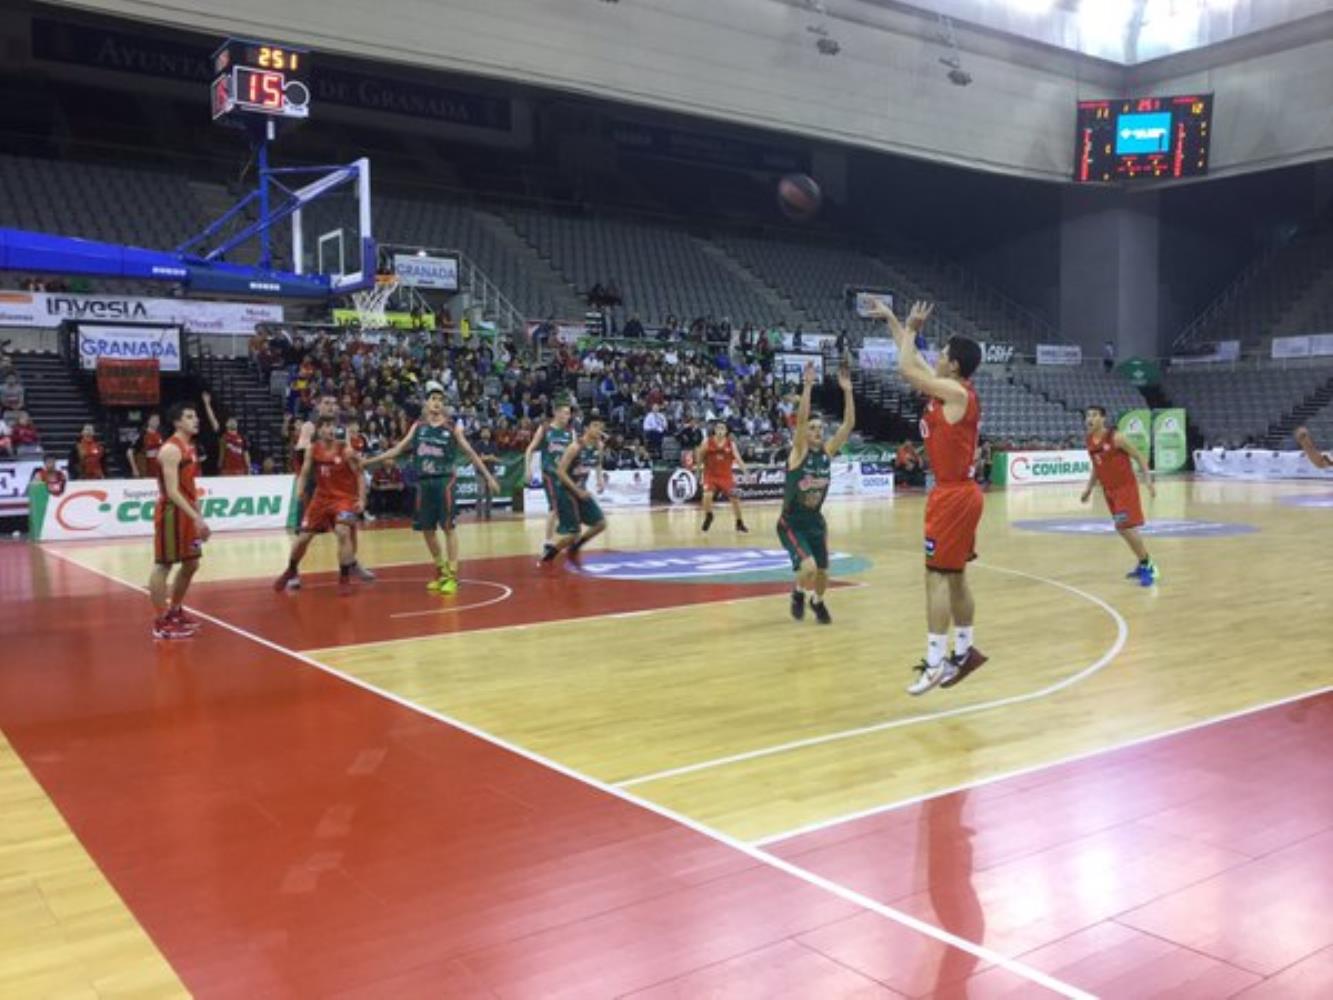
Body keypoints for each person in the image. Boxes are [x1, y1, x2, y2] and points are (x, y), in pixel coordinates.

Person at [878, 300, 987, 695]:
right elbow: (913, 361)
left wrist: (910, 326)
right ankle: (964, 652)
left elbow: (907, 367)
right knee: (955, 576)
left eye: (942, 353)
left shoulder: (956, 394)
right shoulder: (946, 391)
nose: (935, 356)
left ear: (955, 366)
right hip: (957, 493)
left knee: (935, 576)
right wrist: (895, 323)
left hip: (954, 494)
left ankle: (937, 661)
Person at [362, 381, 499, 594]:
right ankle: (441, 569)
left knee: (448, 528)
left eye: (440, 400)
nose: (436, 403)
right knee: (426, 529)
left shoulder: (452, 427)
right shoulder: (418, 426)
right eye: (433, 399)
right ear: (426, 403)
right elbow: (398, 449)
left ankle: (453, 574)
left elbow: (471, 453)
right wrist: (369, 462)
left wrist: (488, 476)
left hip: (445, 481)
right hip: (424, 481)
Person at [778, 360, 854, 626]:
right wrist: (808, 385)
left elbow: (847, 425)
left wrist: (847, 391)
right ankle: (798, 593)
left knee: (822, 572)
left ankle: (817, 601)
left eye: (820, 428)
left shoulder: (826, 453)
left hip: (815, 521)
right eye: (813, 428)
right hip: (792, 521)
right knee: (808, 568)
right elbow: (800, 421)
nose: (817, 432)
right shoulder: (798, 453)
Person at [273, 418, 369, 593]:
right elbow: (304, 472)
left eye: (333, 426)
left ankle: (344, 577)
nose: (330, 429)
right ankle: (291, 569)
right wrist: (300, 490)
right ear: (319, 430)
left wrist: (362, 500)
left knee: (342, 532)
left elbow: (360, 475)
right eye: (326, 426)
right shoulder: (313, 449)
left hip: (344, 499)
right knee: (303, 538)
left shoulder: (345, 450)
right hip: (321, 499)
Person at [148, 403, 211, 640]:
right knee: (164, 565)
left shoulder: (190, 447)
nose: (196, 420)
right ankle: (160, 621)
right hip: (172, 513)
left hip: (187, 512)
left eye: (195, 416)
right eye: (189, 416)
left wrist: (198, 514)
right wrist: (197, 518)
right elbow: (172, 491)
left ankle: (175, 610)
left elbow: (189, 487)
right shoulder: (171, 450)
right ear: (177, 422)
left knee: (191, 563)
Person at [1081, 407, 1158, 585]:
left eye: (1094, 415)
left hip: (1125, 488)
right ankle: (1142, 562)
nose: (1089, 419)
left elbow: (1140, 456)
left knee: (1126, 527)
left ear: (1103, 419)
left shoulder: (1116, 437)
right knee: (1122, 528)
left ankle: (1149, 565)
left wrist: (1148, 481)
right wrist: (1088, 489)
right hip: (1109, 491)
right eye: (1088, 416)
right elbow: (1096, 467)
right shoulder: (1089, 441)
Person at [548, 416, 609, 561]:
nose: (599, 429)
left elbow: (598, 463)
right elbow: (560, 472)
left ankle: (576, 547)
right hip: (565, 490)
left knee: (601, 524)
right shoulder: (575, 446)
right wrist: (578, 491)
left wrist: (600, 479)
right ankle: (549, 555)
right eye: (595, 425)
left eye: (601, 426)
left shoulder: (599, 446)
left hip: (580, 489)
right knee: (573, 533)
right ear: (586, 428)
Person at [526, 400, 575, 561]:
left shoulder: (570, 432)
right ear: (557, 413)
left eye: (569, 413)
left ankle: (567, 539)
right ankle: (547, 543)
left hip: (565, 475)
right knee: (553, 507)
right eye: (566, 413)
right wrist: (528, 469)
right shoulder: (545, 428)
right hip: (549, 473)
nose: (568, 416)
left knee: (567, 507)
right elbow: (530, 449)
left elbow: (575, 453)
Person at [697, 421, 749, 533]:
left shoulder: (731, 444)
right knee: (707, 496)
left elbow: (738, 459)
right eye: (718, 428)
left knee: (735, 499)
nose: (720, 430)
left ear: (726, 431)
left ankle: (739, 522)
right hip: (710, 475)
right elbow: (700, 456)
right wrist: (697, 471)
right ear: (714, 430)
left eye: (722, 428)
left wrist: (746, 472)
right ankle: (709, 515)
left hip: (726, 476)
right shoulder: (707, 441)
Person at [473, 426, 500, 520]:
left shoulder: (493, 444)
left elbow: (497, 458)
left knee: (490, 494)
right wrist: (489, 457)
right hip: (480, 472)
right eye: (484, 432)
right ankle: (479, 513)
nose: (486, 433)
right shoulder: (477, 444)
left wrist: (487, 457)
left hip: (491, 472)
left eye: (487, 432)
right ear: (480, 434)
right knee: (480, 493)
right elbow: (476, 458)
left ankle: (488, 513)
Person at [128, 414, 163, 479]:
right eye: (154, 420)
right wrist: (134, 469)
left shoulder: (161, 434)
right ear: (148, 421)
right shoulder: (142, 434)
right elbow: (129, 452)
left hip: (158, 468)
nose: (156, 422)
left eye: (158, 420)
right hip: (145, 468)